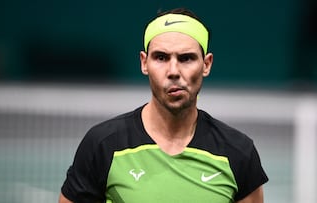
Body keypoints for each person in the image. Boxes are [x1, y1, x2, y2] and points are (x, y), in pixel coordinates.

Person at [59, 7, 268, 203]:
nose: (173, 71)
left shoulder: (239, 152)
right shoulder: (103, 145)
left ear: (206, 64)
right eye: (161, 57)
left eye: (186, 58)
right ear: (144, 62)